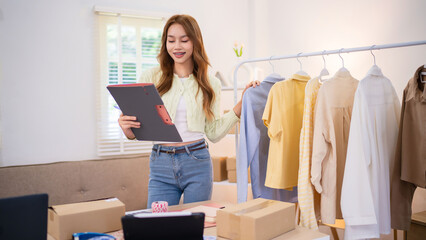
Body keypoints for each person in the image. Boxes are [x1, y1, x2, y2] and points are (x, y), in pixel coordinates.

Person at [118, 14, 259, 208]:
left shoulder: (211, 83)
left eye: (184, 40)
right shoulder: (150, 76)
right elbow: (139, 126)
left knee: (194, 227)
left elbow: (214, 133)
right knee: (157, 227)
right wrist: (128, 130)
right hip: (160, 163)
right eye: (171, 40)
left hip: (197, 161)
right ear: (165, 43)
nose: (177, 46)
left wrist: (240, 106)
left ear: (195, 42)